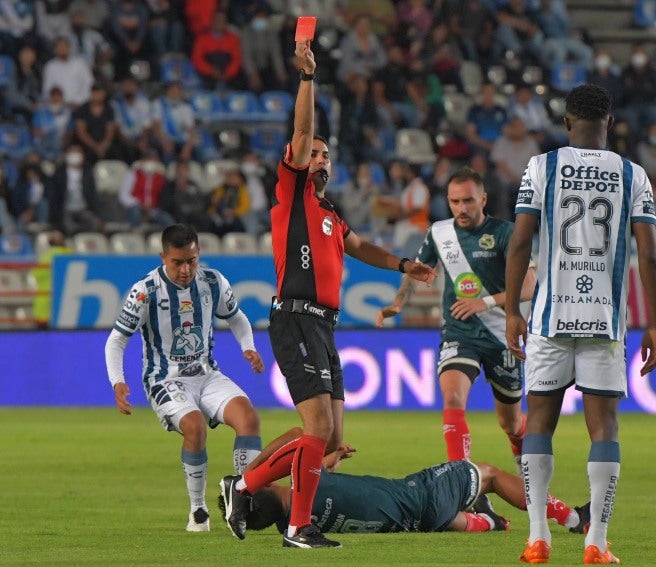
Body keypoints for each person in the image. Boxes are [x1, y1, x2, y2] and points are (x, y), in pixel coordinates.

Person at [219, 40, 436, 550]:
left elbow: (362, 248)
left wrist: (404, 264)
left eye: (326, 155)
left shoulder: (332, 215)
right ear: (296, 159)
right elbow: (301, 130)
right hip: (295, 319)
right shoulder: (290, 196)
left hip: (323, 324)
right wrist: (308, 78)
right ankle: (292, 521)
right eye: (314, 152)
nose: (320, 157)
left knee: (330, 438)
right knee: (316, 426)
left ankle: (244, 485)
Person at [504, 84, 656, 565]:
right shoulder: (632, 175)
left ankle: (538, 538)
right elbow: (650, 254)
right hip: (604, 320)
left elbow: (519, 243)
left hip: (551, 317)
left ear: (567, 123)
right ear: (609, 124)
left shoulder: (543, 167)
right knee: (604, 430)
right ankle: (596, 541)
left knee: (538, 425)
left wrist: (513, 309)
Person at [104, 223, 264, 532]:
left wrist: (249, 347)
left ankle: (243, 500)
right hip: (165, 380)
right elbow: (116, 340)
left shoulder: (213, 282)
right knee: (195, 427)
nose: (185, 269)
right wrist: (118, 381)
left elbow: (238, 319)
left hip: (206, 374)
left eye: (191, 260)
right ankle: (198, 511)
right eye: (177, 262)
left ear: (199, 254)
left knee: (249, 419)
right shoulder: (145, 291)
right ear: (163, 257)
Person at [375, 166, 538, 470]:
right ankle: (460, 481)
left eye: (468, 201)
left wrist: (484, 303)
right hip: (459, 333)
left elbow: (528, 287)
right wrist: (398, 303)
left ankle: (523, 453)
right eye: (454, 202)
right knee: (452, 400)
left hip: (502, 336)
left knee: (511, 422)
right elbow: (417, 271)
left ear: (483, 199)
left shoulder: (507, 233)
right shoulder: (440, 232)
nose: (461, 209)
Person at [217, 426, 590, 536]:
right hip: (417, 494)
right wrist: (248, 477)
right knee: (488, 473)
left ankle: (490, 521)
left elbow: (316, 472)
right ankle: (573, 519)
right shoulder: (303, 488)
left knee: (450, 517)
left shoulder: (298, 522)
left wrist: (331, 458)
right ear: (265, 487)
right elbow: (299, 436)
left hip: (414, 523)